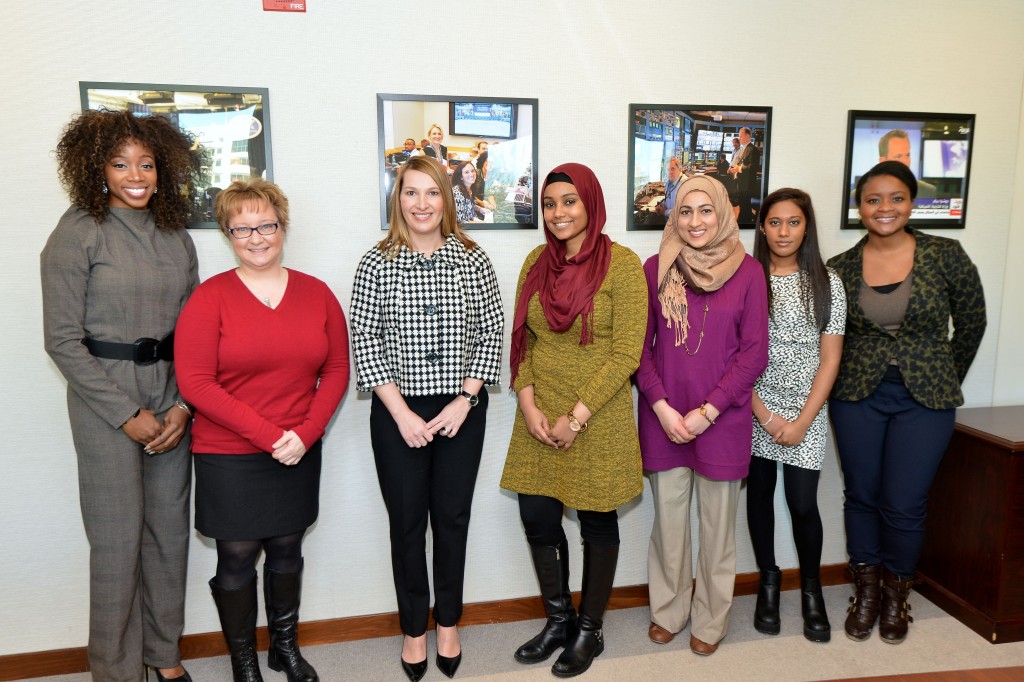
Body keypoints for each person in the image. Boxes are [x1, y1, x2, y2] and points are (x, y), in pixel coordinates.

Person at [41, 108, 202, 682]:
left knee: (168, 538)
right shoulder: (77, 232)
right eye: (120, 163)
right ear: (96, 167)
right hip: (104, 404)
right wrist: (124, 412)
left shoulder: (176, 235)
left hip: (172, 399)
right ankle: (115, 670)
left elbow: (196, 332)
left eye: (147, 163)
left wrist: (183, 406)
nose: (136, 175)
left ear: (164, 169)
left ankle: (164, 655)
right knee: (116, 545)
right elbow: (60, 340)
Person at [174, 179, 349, 682]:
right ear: (228, 234)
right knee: (236, 557)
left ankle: (284, 649)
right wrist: (272, 436)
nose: (256, 237)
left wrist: (308, 432)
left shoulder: (317, 294)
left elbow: (337, 368)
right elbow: (196, 384)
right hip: (229, 453)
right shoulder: (210, 299)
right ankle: (244, 659)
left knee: (288, 549)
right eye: (241, 228)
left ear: (282, 227)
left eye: (266, 225)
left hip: (298, 447)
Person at [350, 156, 503, 681]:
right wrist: (401, 415)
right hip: (398, 412)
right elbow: (365, 340)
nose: (421, 204)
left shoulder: (473, 259)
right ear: (399, 200)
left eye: (431, 193)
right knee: (408, 525)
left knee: (452, 521)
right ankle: (414, 628)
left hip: (462, 407)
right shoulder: (375, 263)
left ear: (447, 199)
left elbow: (491, 334)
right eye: (411, 193)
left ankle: (449, 623)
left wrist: (465, 400)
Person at [828, 161, 986, 644]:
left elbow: (972, 321)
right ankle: (868, 591)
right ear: (860, 207)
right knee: (861, 495)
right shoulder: (840, 267)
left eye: (895, 198)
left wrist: (940, 376)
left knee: (906, 502)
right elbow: (832, 337)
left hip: (926, 399)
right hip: (857, 395)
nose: (884, 208)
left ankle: (898, 594)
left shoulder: (945, 254)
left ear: (911, 202)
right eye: (873, 199)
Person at [501, 163, 647, 678]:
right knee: (537, 518)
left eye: (568, 201)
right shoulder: (536, 263)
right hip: (540, 414)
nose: (558, 212)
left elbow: (628, 352)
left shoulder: (623, 265)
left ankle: (590, 630)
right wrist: (529, 402)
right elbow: (522, 341)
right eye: (549, 204)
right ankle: (558, 620)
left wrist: (577, 416)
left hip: (597, 415)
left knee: (596, 521)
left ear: (590, 203)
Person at [637, 175, 768, 656]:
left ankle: (711, 621)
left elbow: (754, 354)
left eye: (705, 210)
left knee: (717, 531)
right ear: (674, 215)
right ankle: (668, 611)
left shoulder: (750, 272)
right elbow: (640, 351)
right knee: (669, 528)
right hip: (663, 417)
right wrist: (662, 407)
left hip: (724, 419)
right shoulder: (656, 269)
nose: (695, 221)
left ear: (724, 213)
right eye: (685, 211)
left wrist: (708, 411)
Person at [746, 188, 846, 643]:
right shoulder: (746, 277)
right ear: (762, 227)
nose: (783, 232)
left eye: (794, 222)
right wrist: (764, 415)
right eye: (774, 222)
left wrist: (804, 420)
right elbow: (735, 356)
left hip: (808, 409)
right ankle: (768, 581)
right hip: (753, 407)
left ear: (806, 227)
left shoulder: (828, 281)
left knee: (803, 503)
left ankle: (811, 590)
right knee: (759, 496)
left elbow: (830, 359)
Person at [877, 130, 937, 198]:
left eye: (907, 155)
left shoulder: (927, 191)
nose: (905, 162)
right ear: (883, 161)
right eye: (898, 156)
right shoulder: (868, 190)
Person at [727, 127, 761, 225]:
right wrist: (735, 168)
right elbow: (742, 163)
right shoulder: (745, 149)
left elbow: (753, 167)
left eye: (741, 136)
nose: (739, 138)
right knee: (743, 205)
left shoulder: (753, 149)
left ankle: (744, 224)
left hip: (747, 185)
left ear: (747, 136)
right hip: (743, 184)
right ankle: (743, 221)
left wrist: (739, 169)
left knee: (745, 205)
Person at [654, 157, 685, 224]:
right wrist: (661, 206)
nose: (670, 172)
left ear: (680, 169)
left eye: (672, 169)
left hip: (678, 225)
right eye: (668, 170)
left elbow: (683, 211)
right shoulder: (669, 183)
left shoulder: (685, 185)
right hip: (668, 222)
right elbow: (668, 198)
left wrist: (665, 212)